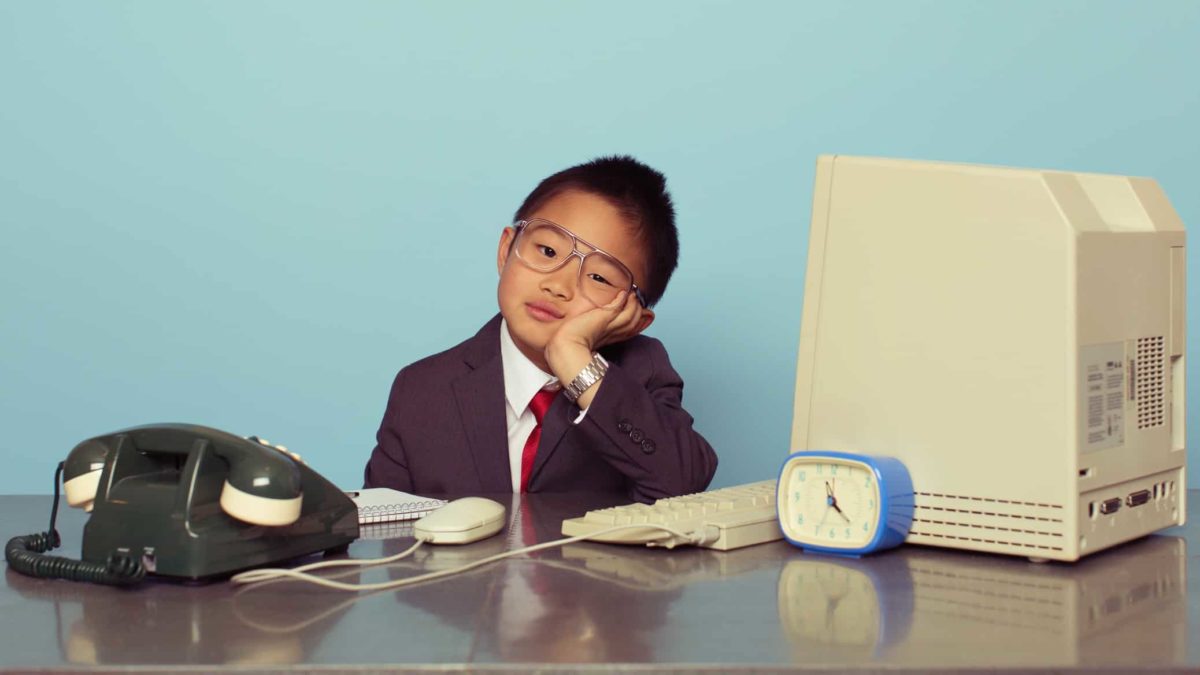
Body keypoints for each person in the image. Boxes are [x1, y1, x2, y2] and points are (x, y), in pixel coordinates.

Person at [363, 156, 717, 501]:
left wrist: (575, 359)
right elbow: (382, 534)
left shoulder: (641, 371)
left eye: (599, 277)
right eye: (547, 250)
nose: (559, 285)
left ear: (634, 318)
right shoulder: (421, 391)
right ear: (506, 249)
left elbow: (683, 483)